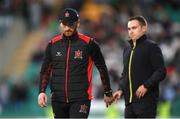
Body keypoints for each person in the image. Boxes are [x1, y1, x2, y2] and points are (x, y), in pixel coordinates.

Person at [38, 8, 114, 118]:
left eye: (71, 24)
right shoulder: (52, 45)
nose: (67, 28)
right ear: (60, 24)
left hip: (81, 99)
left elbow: (102, 68)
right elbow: (45, 70)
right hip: (58, 99)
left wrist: (108, 92)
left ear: (77, 24)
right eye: (64, 24)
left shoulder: (89, 44)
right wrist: (41, 91)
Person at [113, 16, 167, 118]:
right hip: (129, 104)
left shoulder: (152, 47)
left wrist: (146, 85)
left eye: (134, 28)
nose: (131, 31)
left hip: (146, 102)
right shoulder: (127, 50)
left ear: (144, 28)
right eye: (129, 29)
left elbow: (161, 71)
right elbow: (125, 74)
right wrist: (120, 89)